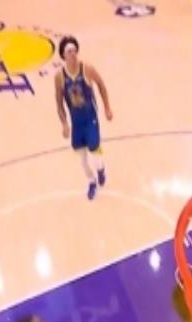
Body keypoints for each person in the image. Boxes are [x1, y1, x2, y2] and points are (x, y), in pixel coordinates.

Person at [55, 36, 113, 201]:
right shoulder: (59, 77)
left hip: (90, 119)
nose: (73, 54)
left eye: (74, 50)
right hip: (76, 122)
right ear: (63, 55)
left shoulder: (87, 68)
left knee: (94, 149)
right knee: (81, 156)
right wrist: (64, 123)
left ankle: (101, 169)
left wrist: (107, 107)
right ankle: (91, 181)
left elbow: (101, 84)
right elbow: (59, 102)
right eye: (69, 51)